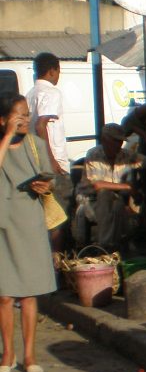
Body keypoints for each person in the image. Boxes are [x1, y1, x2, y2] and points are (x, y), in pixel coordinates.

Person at [0, 93, 58, 372]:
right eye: (17, 115)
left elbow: (51, 179)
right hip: (3, 223)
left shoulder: (36, 145)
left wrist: (45, 186)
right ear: (3, 119)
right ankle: (8, 353)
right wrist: (7, 135)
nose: (24, 119)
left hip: (30, 221)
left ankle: (30, 353)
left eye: (26, 114)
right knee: (5, 294)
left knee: (30, 292)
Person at [26, 52, 72, 244]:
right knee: (60, 216)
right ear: (52, 71)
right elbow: (41, 125)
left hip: (35, 159)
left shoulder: (30, 93)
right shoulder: (51, 92)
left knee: (46, 214)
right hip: (53, 162)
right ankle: (59, 262)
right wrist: (51, 160)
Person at [73, 123, 140, 251]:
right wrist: (126, 187)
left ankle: (106, 247)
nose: (119, 144)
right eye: (115, 141)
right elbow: (98, 185)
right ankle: (107, 245)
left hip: (116, 200)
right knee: (105, 194)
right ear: (104, 140)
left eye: (120, 141)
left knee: (117, 205)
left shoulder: (126, 155)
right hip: (90, 201)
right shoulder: (94, 155)